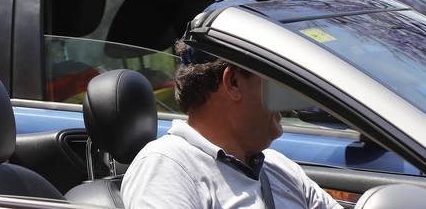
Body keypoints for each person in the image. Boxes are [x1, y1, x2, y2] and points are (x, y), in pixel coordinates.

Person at [121, 38, 342, 209]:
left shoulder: (280, 167)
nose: (288, 95)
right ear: (234, 82)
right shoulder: (166, 167)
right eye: (275, 79)